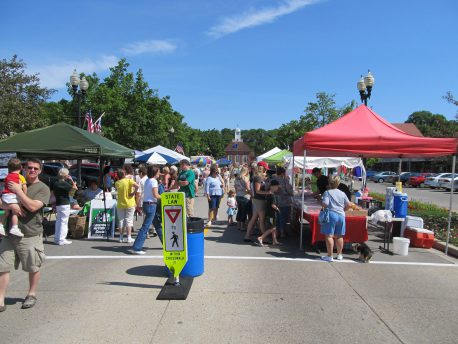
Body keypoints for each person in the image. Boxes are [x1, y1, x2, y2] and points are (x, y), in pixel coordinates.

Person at [0, 158, 51, 311]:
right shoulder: (13, 181)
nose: (32, 170)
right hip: (10, 234)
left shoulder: (43, 188)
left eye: (36, 168)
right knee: (2, 266)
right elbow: (1, 202)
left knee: (33, 266)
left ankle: (31, 293)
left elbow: (33, 206)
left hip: (30, 234)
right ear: (23, 168)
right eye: (29, 167)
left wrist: (18, 192)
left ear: (40, 170)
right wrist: (12, 206)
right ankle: (0, 299)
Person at [320, 175, 351, 262]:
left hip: (331, 214)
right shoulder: (342, 193)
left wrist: (320, 201)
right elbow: (348, 205)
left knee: (329, 235)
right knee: (339, 236)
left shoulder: (327, 192)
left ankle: (330, 256)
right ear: (338, 183)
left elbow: (325, 204)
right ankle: (339, 254)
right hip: (341, 215)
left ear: (329, 183)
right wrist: (343, 210)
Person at [131, 166, 161, 255]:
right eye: (158, 172)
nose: (159, 173)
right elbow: (156, 195)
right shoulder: (154, 181)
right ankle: (136, 247)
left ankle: (166, 243)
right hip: (151, 205)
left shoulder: (147, 180)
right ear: (155, 172)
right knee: (145, 227)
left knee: (157, 225)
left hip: (146, 204)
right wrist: (165, 196)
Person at [0, 158, 27, 237]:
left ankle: (1, 225)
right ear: (21, 168)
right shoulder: (20, 177)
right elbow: (24, 188)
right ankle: (14, 227)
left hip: (5, 196)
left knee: (6, 211)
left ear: (8, 168)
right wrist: (23, 197)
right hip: (12, 196)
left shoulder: (7, 177)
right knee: (15, 212)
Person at [244, 163, 271, 242]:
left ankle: (247, 235)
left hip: (257, 200)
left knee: (254, 218)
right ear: (263, 169)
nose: (266, 170)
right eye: (265, 169)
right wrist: (268, 192)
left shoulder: (257, 177)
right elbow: (258, 191)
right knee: (261, 220)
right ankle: (264, 237)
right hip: (259, 200)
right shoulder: (258, 178)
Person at [52, 168, 78, 245]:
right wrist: (71, 180)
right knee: (64, 222)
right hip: (65, 204)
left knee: (59, 221)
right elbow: (75, 188)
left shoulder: (56, 183)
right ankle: (62, 239)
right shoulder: (63, 183)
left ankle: (57, 238)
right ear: (65, 175)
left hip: (58, 204)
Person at [115, 169, 139, 243]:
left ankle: (121, 237)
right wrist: (133, 193)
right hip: (130, 203)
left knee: (121, 220)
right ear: (124, 174)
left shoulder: (117, 183)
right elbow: (137, 186)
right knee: (129, 220)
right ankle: (129, 237)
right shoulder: (129, 180)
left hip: (120, 203)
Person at [256, 180, 281, 246]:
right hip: (272, 214)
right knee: (273, 228)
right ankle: (261, 237)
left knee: (273, 227)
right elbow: (273, 205)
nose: (278, 188)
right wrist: (278, 209)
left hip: (269, 213)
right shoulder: (272, 195)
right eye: (277, 187)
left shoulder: (268, 194)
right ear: (273, 186)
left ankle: (275, 241)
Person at [272, 166, 294, 238]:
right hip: (285, 201)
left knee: (277, 218)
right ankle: (282, 233)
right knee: (283, 218)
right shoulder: (285, 180)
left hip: (275, 201)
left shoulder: (272, 179)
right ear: (282, 173)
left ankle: (277, 233)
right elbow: (290, 191)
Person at [234, 166, 251, 231]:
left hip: (238, 196)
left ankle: (238, 225)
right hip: (245, 196)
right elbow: (248, 188)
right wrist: (250, 193)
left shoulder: (237, 178)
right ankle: (242, 226)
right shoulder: (245, 178)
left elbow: (235, 188)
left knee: (239, 211)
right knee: (244, 212)